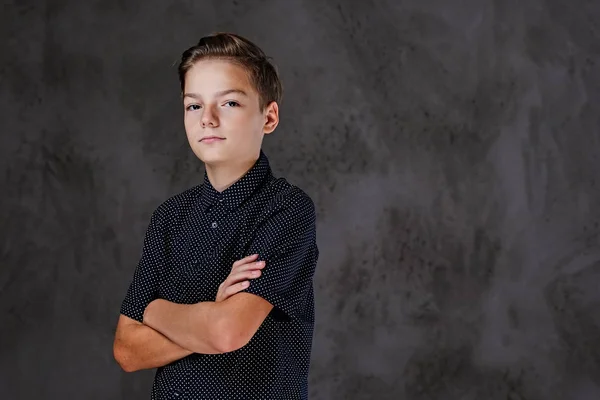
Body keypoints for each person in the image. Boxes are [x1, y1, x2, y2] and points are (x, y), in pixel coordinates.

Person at [112, 32, 319, 399]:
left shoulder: (286, 210)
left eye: (229, 104)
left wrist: (157, 311)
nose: (207, 119)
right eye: (194, 105)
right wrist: (210, 313)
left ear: (268, 117)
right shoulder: (169, 218)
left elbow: (226, 333)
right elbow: (127, 350)